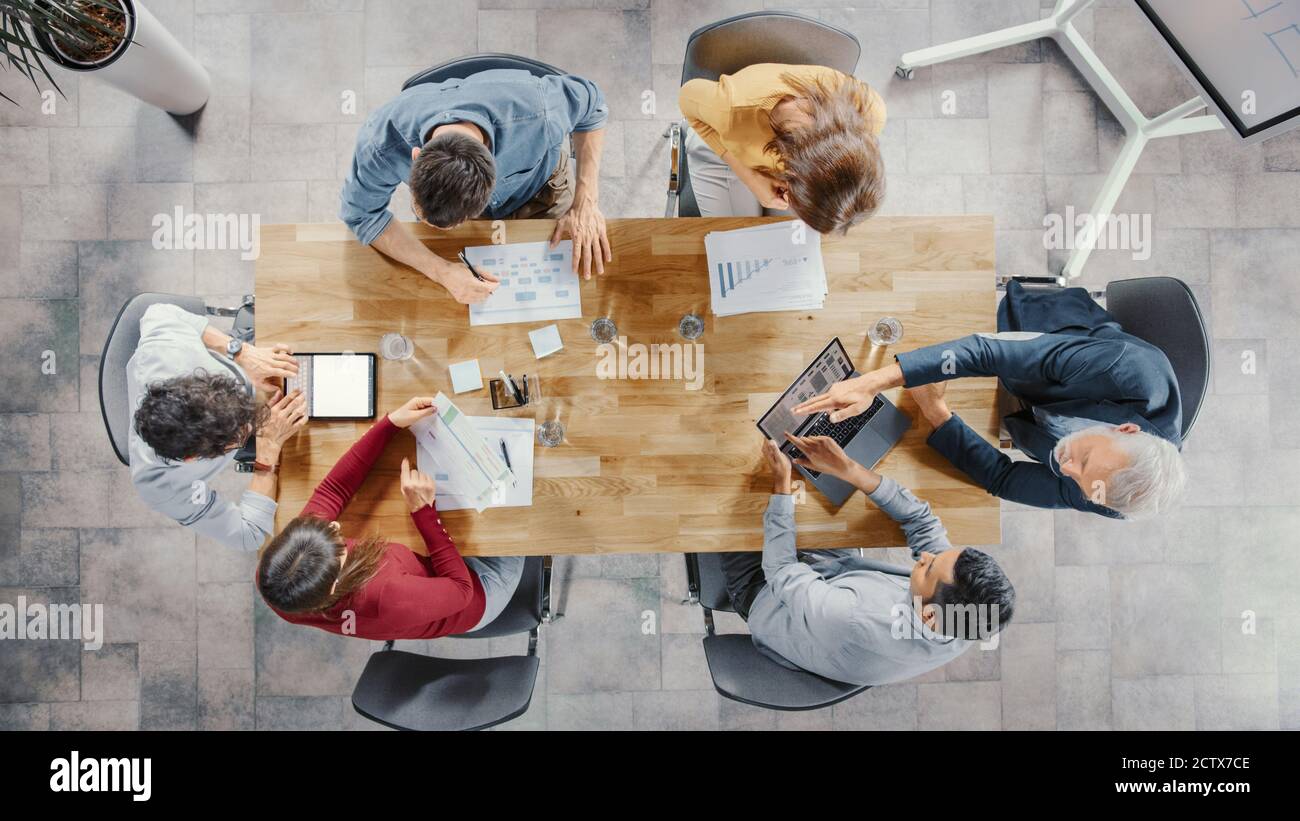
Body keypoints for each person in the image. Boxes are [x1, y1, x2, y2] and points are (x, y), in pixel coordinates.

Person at [793, 281, 1187, 519]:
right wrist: (875, 382)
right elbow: (991, 353)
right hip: (1042, 330)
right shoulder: (1129, 371)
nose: (1065, 470)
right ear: (1126, 429)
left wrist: (937, 412)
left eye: (1078, 482)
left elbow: (1005, 478)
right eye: (1082, 459)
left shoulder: (1106, 489)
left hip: (1031, 408)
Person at [718, 435, 1015, 686]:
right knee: (825, 494)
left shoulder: (852, 618)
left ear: (928, 616)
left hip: (766, 592)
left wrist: (782, 485)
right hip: (834, 576)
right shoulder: (964, 619)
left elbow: (781, 571)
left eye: (928, 568)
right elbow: (921, 521)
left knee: (727, 492)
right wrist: (848, 469)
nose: (926, 556)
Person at [257, 397, 525, 640]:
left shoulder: (278, 580)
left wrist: (390, 424)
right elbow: (462, 590)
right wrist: (424, 513)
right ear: (336, 582)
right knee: (522, 500)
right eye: (337, 543)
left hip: (428, 577)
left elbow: (332, 492)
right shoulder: (386, 595)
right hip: (481, 585)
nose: (334, 524)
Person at [340, 68, 613, 302]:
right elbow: (362, 215)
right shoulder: (380, 141)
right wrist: (441, 271)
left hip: (542, 190)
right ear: (416, 156)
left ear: (494, 172)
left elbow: (594, 103)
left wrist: (586, 200)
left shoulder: (539, 110)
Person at [127, 304, 308, 552]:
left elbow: (157, 311)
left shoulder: (165, 352)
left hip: (238, 363)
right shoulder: (160, 487)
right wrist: (267, 450)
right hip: (263, 444)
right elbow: (248, 536)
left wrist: (239, 352)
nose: (252, 418)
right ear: (193, 458)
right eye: (239, 433)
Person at [677, 63, 886, 233]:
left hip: (780, 162)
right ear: (791, 174)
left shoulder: (871, 115)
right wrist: (751, 177)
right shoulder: (733, 111)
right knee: (738, 236)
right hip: (720, 144)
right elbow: (686, 98)